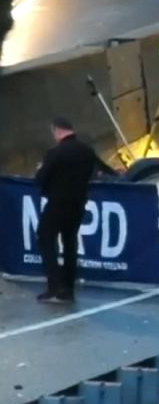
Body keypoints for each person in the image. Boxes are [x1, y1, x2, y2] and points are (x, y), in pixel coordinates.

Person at [34, 117, 115, 303]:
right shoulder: (87, 151)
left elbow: (41, 179)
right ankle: (68, 289)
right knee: (70, 243)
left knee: (45, 238)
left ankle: (54, 286)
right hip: (78, 203)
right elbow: (104, 170)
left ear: (56, 131)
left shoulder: (54, 153)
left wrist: (40, 169)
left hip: (57, 203)